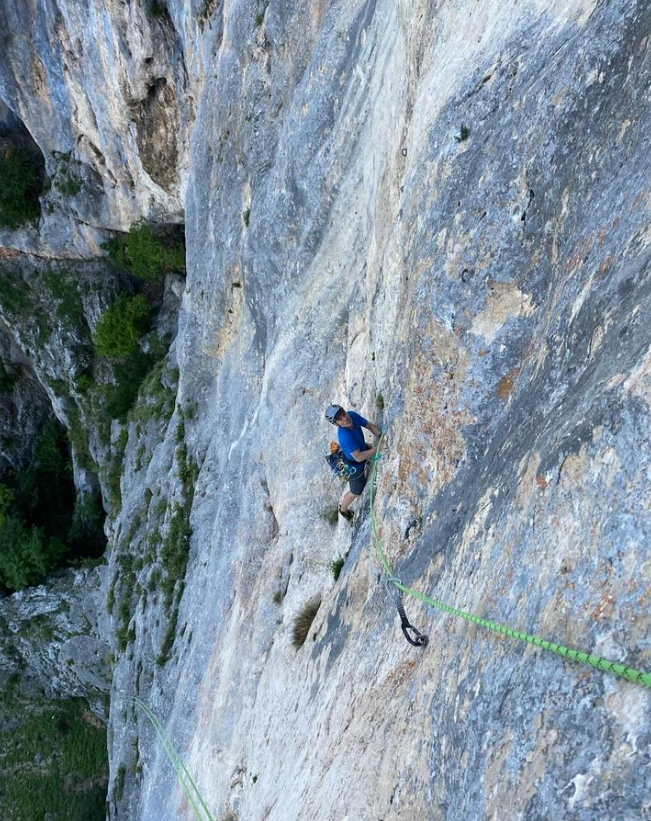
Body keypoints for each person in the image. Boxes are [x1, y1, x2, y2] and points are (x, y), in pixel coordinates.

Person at [325, 404, 384, 520]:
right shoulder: (345, 437)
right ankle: (343, 510)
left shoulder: (352, 415)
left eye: (343, 414)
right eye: (340, 419)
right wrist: (378, 449)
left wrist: (381, 435)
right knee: (356, 492)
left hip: (361, 449)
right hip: (355, 465)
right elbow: (359, 457)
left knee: (367, 449)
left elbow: (370, 426)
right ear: (337, 424)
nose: (344, 418)